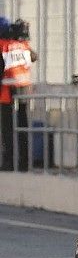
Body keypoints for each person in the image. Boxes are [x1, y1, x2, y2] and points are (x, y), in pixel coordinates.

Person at [0, 18, 36, 171]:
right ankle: (25, 163)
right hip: (24, 89)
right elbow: (34, 57)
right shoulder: (23, 45)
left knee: (7, 129)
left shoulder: (3, 46)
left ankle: (9, 162)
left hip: (7, 92)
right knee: (23, 126)